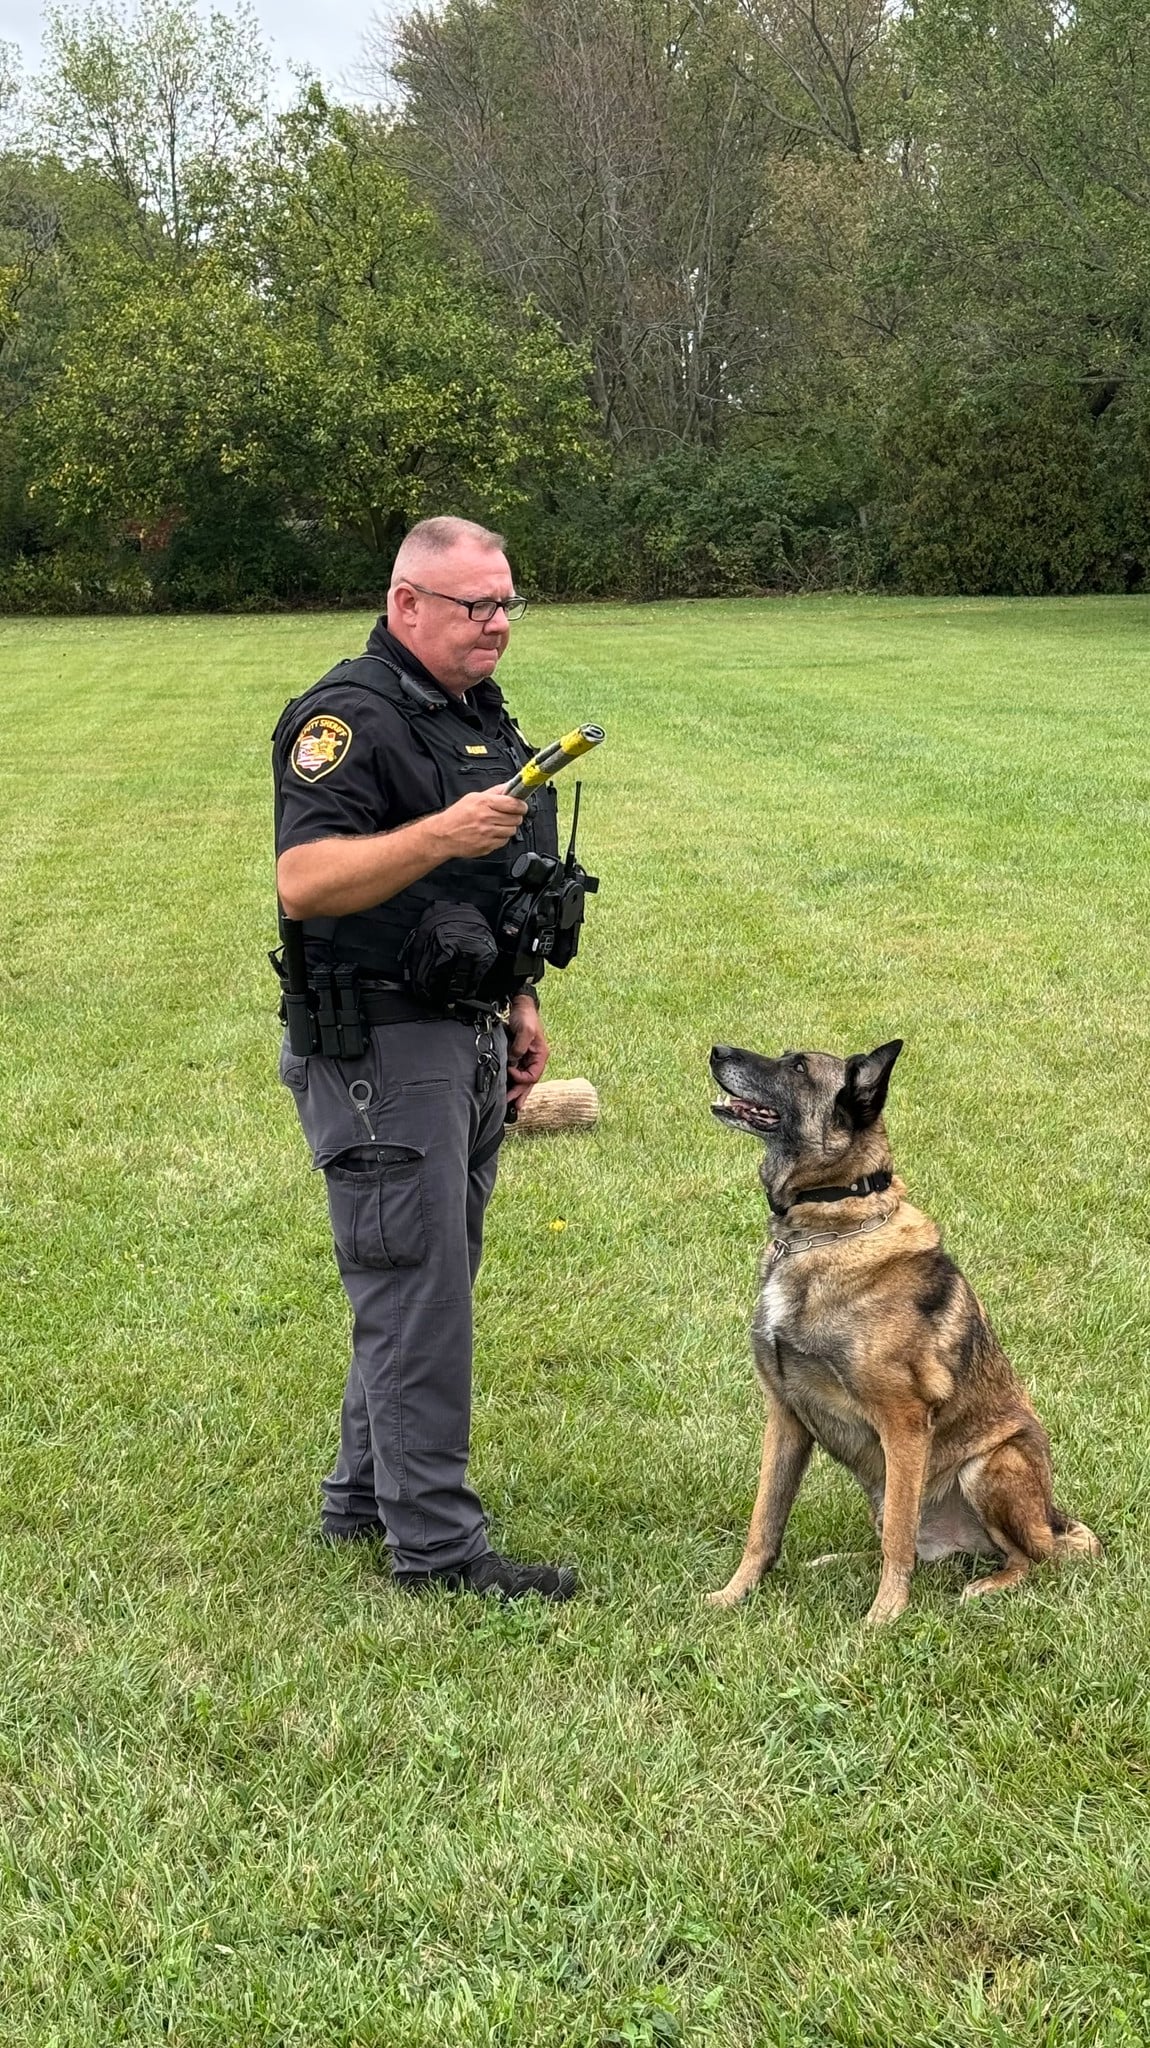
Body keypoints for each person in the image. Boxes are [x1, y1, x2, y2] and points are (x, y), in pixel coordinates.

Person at [272, 517, 583, 1601]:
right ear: (407, 603)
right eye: (474, 606)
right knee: (418, 1292)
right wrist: (442, 833)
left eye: (506, 604)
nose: (497, 625)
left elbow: (490, 882)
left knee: (424, 1281)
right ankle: (439, 1551)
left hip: (465, 1029)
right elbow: (305, 879)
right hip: (380, 1046)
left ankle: (363, 1500)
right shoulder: (348, 718)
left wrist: (520, 996)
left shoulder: (473, 713)